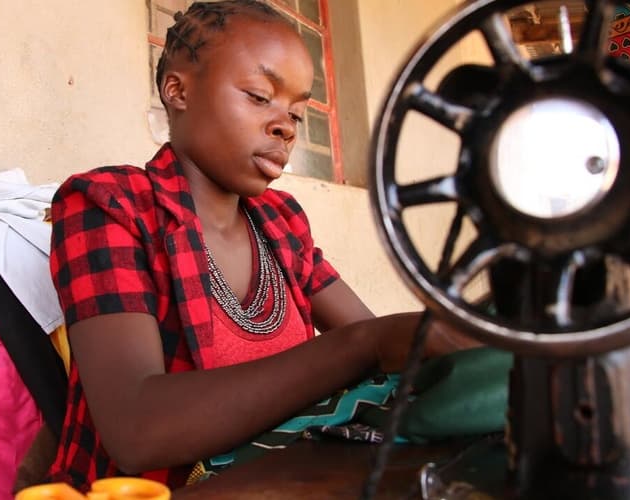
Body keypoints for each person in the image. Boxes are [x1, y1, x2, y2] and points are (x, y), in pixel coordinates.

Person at [45, 0, 478, 492]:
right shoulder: (111, 206)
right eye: (259, 96)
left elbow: (386, 349)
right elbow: (136, 429)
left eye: (297, 112)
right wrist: (367, 344)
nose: (286, 126)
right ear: (177, 90)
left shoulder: (282, 221)